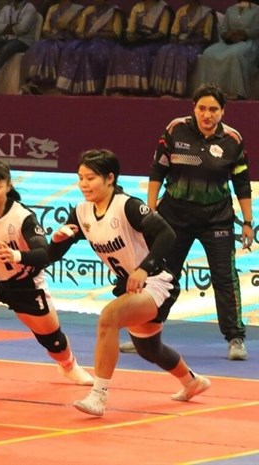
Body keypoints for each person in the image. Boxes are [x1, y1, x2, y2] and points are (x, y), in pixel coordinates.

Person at [49, 149, 211, 417]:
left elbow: (166, 235)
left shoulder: (129, 206)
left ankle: (98, 396)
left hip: (158, 281)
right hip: (131, 285)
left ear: (110, 178)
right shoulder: (80, 212)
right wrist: (53, 242)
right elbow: (51, 255)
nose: (84, 184)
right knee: (149, 349)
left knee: (109, 316)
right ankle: (192, 381)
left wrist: (143, 269)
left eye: (90, 178)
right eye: (80, 178)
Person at [0, 158, 93, 386]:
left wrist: (17, 256)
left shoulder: (22, 217)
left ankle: (68, 365)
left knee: (54, 342)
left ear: (8, 186)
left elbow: (45, 254)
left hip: (24, 284)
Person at [141, 84, 253, 360]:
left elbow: (242, 182)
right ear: (194, 108)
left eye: (213, 109)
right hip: (174, 218)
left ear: (222, 111)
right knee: (162, 276)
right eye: (202, 108)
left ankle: (235, 338)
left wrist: (248, 222)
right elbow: (158, 170)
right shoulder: (175, 129)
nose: (207, 114)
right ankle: (147, 334)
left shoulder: (232, 139)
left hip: (216, 219)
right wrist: (150, 211)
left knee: (225, 277)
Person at [103, 0, 173, 96]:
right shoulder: (137, 8)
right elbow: (131, 30)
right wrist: (131, 37)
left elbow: (162, 33)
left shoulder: (164, 9)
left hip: (154, 41)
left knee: (140, 52)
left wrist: (145, 39)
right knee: (118, 50)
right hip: (139, 39)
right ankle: (121, 87)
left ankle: (138, 88)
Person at [149, 0, 217, 97]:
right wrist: (176, 39)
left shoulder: (207, 13)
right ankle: (163, 89)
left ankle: (176, 91)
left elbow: (207, 37)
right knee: (164, 50)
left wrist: (191, 40)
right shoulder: (181, 11)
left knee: (180, 54)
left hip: (197, 44)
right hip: (180, 43)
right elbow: (174, 32)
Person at [55, 0, 124, 95]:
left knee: (91, 51)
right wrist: (78, 33)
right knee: (71, 48)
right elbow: (80, 31)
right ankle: (71, 87)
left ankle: (92, 87)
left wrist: (96, 34)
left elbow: (116, 34)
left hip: (105, 42)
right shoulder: (88, 11)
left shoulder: (114, 12)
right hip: (87, 40)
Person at [197, 0, 259, 100]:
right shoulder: (230, 10)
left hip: (248, 42)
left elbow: (256, 30)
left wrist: (242, 34)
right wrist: (229, 35)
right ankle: (209, 90)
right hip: (229, 41)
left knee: (235, 54)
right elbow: (224, 29)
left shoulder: (257, 10)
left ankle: (237, 92)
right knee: (208, 53)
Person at [21, 0, 85, 95]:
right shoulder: (52, 9)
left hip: (70, 40)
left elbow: (80, 32)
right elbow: (46, 29)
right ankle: (35, 82)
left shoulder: (78, 9)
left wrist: (67, 27)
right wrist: (51, 36)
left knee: (55, 48)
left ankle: (58, 85)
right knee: (42, 46)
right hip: (54, 38)